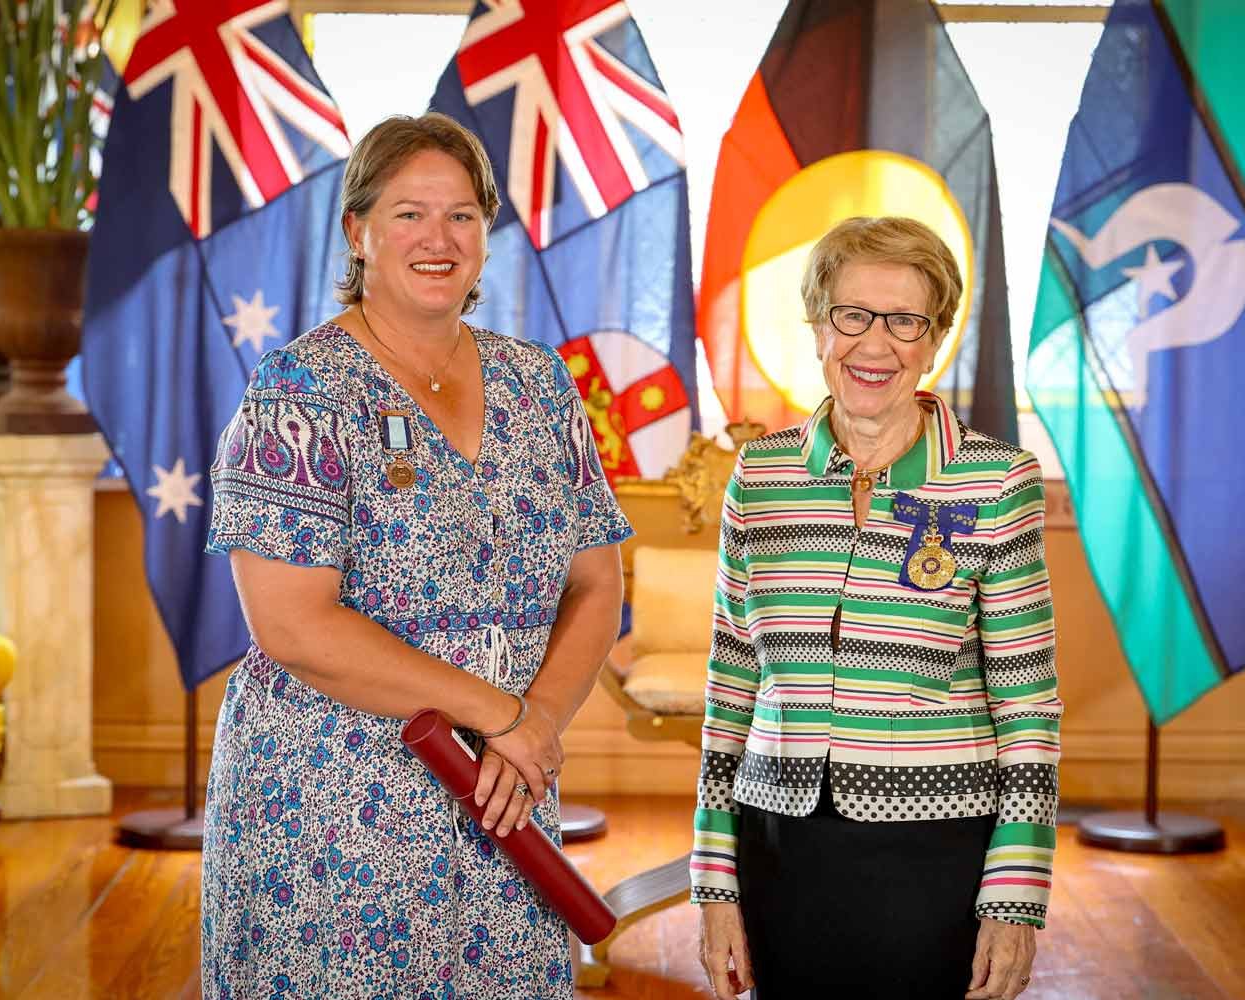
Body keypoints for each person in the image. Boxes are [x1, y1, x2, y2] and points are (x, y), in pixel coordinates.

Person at [201, 112, 631, 999]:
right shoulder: (299, 391)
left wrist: (536, 726)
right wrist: (501, 714)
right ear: (357, 231)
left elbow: (596, 584)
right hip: (333, 799)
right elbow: (293, 626)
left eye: (462, 215)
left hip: (507, 788)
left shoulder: (541, 384)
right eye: (409, 214)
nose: (439, 238)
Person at [691, 217, 1062, 999]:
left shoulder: (997, 482)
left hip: (937, 848)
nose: (875, 343)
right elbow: (730, 692)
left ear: (936, 340)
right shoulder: (760, 478)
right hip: (778, 844)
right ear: (818, 328)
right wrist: (714, 881)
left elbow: (1028, 707)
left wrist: (1016, 897)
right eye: (852, 315)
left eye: (905, 321)